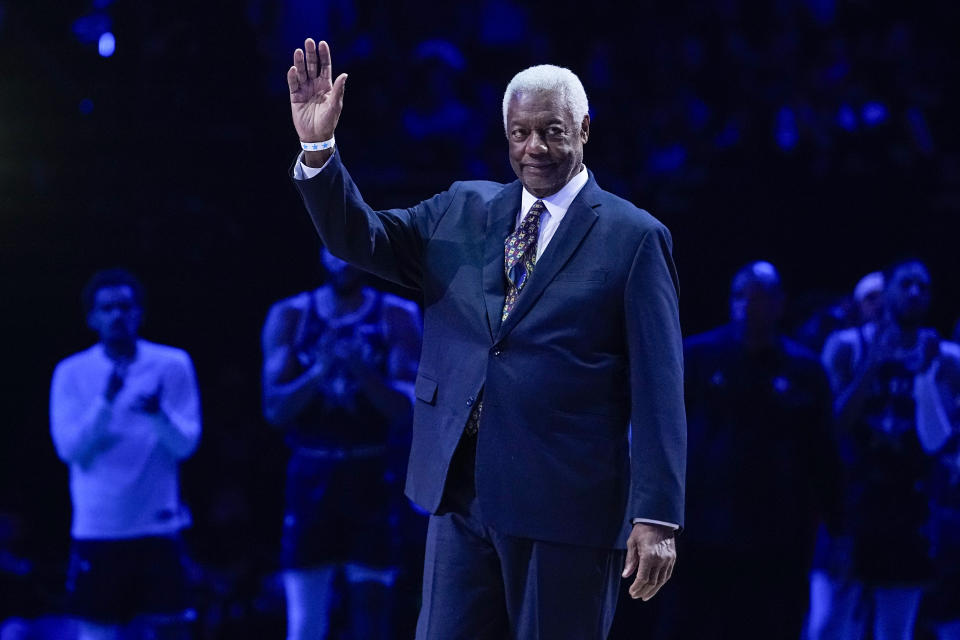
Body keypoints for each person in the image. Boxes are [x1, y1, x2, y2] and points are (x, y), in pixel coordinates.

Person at [284, 39, 686, 639]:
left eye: (552, 131)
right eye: (520, 133)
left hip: (566, 507)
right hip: (461, 496)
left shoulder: (633, 237)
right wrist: (319, 150)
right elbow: (359, 239)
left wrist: (656, 516)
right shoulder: (460, 209)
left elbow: (659, 387)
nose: (536, 148)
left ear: (584, 129)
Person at [669, 262, 838, 639]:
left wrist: (836, 526)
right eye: (742, 295)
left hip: (778, 535)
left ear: (779, 303)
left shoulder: (805, 371)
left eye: (760, 297)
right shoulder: (697, 357)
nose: (750, 306)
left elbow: (824, 455)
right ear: (731, 301)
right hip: (702, 529)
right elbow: (665, 437)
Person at [261, 248, 422, 640]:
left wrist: (362, 371)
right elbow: (274, 408)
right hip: (311, 474)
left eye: (351, 252)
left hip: (370, 473)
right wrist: (319, 371)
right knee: (304, 621)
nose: (343, 261)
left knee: (371, 614)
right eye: (335, 252)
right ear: (321, 256)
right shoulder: (292, 315)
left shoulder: (395, 314)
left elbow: (406, 409)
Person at [808, 259, 960, 640]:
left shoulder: (945, 357)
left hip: (909, 508)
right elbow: (829, 427)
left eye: (923, 287)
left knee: (895, 630)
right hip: (850, 504)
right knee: (827, 626)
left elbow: (937, 441)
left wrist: (926, 376)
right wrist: (871, 366)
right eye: (906, 284)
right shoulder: (846, 346)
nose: (914, 293)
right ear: (886, 288)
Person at [49, 269, 201, 640]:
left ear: (139, 313)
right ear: (92, 318)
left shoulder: (173, 364)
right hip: (98, 528)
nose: (117, 314)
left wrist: (157, 414)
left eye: (125, 306)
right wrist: (106, 399)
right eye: (108, 308)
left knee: (172, 629)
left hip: (158, 525)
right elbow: (69, 449)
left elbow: (186, 445)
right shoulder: (71, 372)